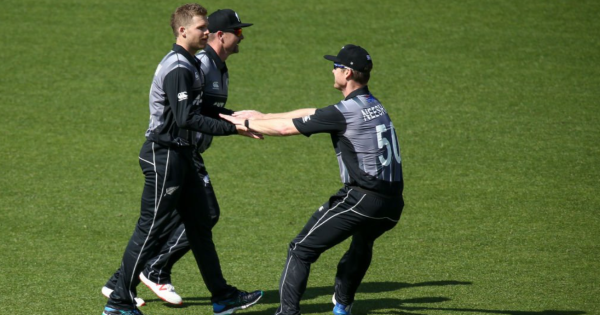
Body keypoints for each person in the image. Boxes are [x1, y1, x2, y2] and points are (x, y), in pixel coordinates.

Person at [102, 4, 263, 315]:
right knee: (151, 230)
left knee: (201, 223)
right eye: (202, 27)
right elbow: (187, 117)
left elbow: (201, 111)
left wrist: (236, 117)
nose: (207, 32)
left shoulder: (190, 63)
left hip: (182, 155)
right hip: (165, 156)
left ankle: (222, 295)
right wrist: (235, 129)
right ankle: (120, 298)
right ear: (182, 30)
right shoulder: (179, 66)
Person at [221, 44, 404, 315]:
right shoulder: (372, 104)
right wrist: (263, 116)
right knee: (363, 242)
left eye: (336, 66)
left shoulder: (344, 113)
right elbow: (316, 113)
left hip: (362, 199)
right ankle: (342, 305)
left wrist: (240, 125)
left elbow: (285, 129)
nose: (332, 70)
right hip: (392, 205)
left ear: (347, 73)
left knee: (300, 249)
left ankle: (287, 313)